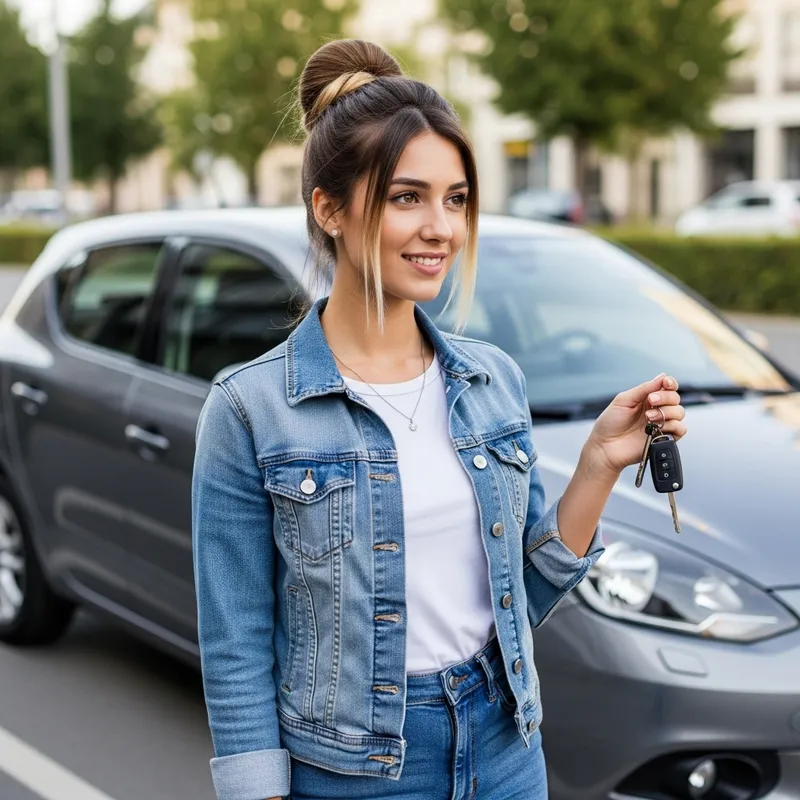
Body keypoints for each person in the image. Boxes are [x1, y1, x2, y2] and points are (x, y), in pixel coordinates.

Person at [191, 38, 688, 800]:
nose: (441, 228)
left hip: (504, 747)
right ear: (329, 209)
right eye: (406, 197)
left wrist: (597, 466)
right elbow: (235, 650)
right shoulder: (249, 409)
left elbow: (521, 600)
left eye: (455, 199)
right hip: (355, 773)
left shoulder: (493, 381)